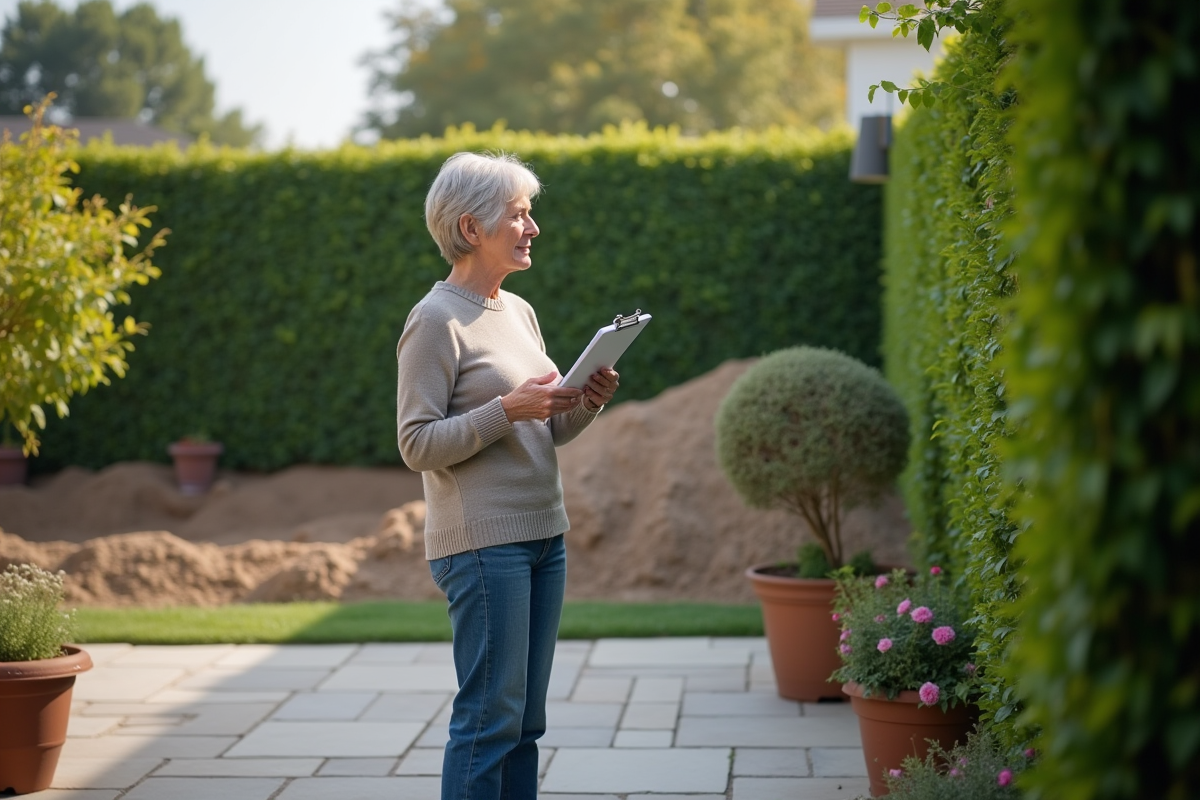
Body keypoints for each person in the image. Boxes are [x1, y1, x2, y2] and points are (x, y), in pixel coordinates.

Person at [396, 151, 620, 800]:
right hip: (482, 545)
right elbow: (415, 444)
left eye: (530, 213)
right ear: (472, 229)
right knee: (489, 720)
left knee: (525, 723)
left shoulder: (518, 312)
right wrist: (506, 408)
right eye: (519, 215)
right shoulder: (433, 321)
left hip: (544, 535)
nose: (533, 228)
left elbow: (543, 431)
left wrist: (587, 398)